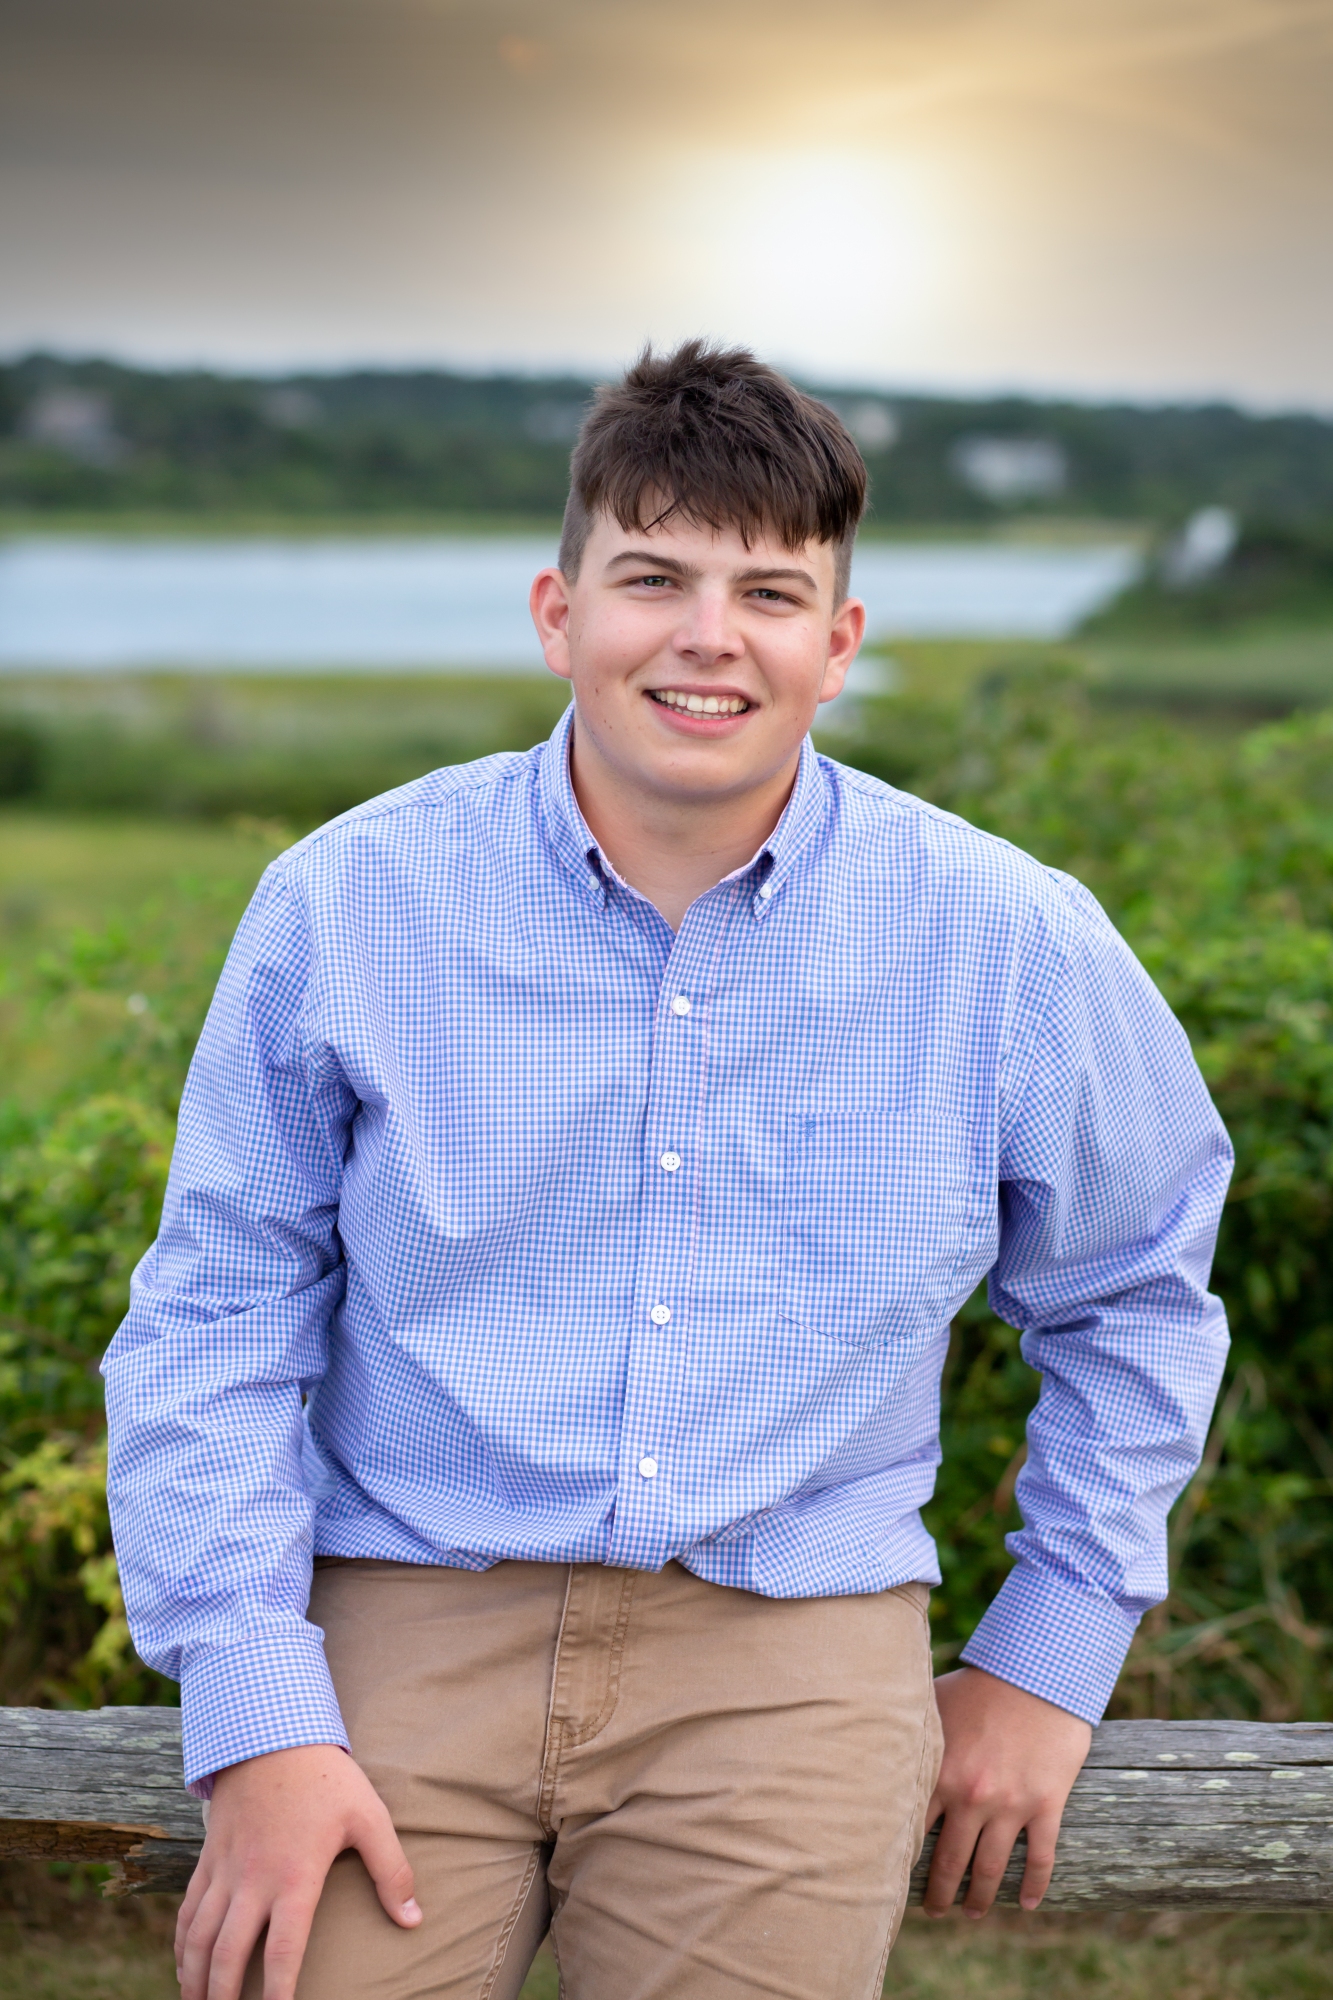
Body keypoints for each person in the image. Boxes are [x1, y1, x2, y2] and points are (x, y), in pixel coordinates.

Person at [103, 342, 1232, 2000]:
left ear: (836, 644)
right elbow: (217, 1312)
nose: (709, 635)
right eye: (652, 578)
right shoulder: (347, 904)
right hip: (396, 1614)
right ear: (557, 612)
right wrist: (255, 1710)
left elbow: (1134, 1297)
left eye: (769, 593)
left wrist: (1046, 1658)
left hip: (789, 1648)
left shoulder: (1005, 938)